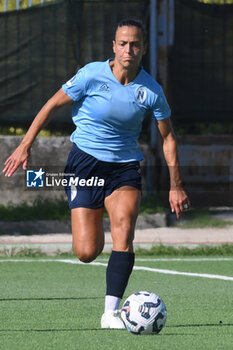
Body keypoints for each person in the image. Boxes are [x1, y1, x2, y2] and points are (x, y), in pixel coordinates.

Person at [3, 19, 190, 329]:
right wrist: (25, 145)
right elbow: (51, 104)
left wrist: (176, 185)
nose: (128, 49)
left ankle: (110, 313)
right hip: (84, 164)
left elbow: (168, 137)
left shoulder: (151, 91)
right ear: (113, 47)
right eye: (123, 43)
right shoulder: (91, 75)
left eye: (135, 44)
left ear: (143, 49)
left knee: (124, 227)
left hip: (124, 168)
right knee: (87, 251)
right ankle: (90, 212)